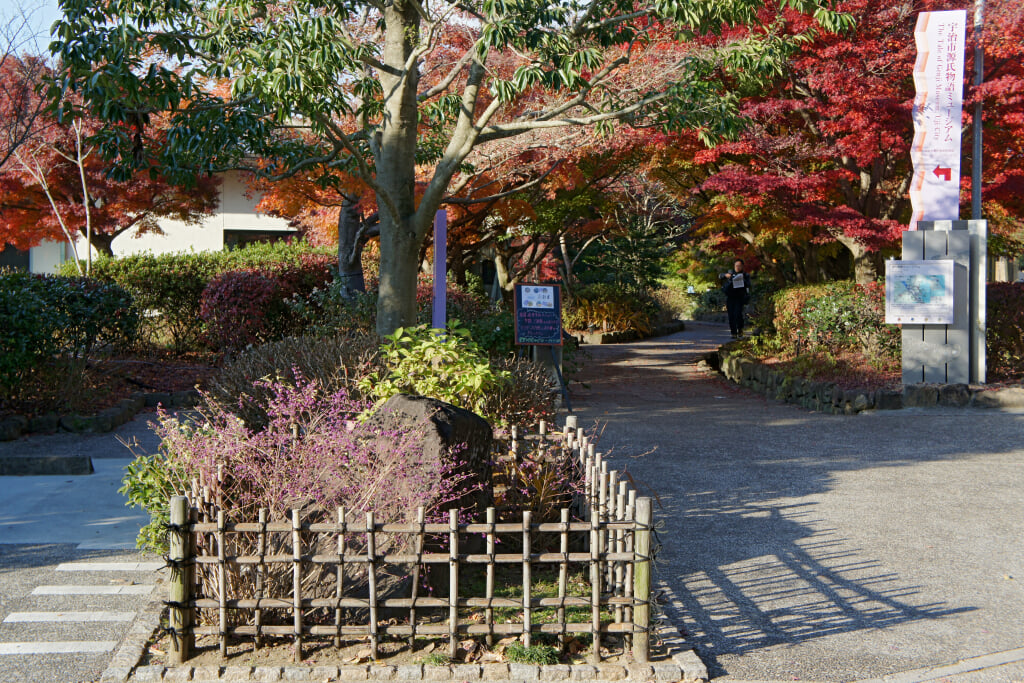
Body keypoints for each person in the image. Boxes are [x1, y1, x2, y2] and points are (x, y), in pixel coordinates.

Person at [720, 259, 752, 338]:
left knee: (738, 314)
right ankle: (733, 333)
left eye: (739, 266)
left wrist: (742, 280)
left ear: (742, 266)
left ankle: (740, 329)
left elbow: (748, 285)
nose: (737, 267)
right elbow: (720, 276)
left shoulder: (745, 275)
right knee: (731, 315)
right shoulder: (730, 274)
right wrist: (725, 275)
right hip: (730, 297)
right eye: (736, 266)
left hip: (739, 297)